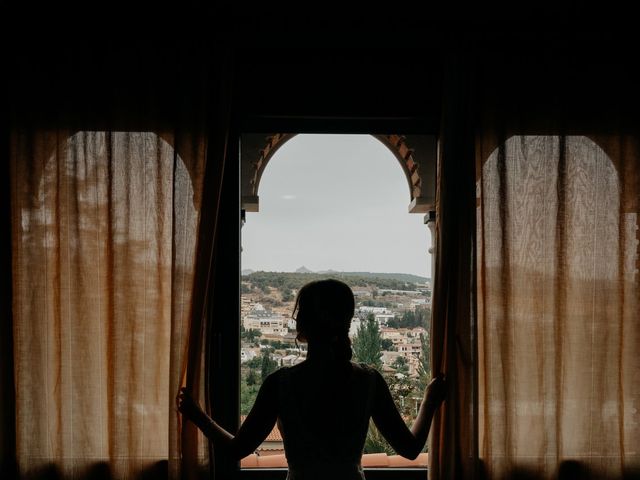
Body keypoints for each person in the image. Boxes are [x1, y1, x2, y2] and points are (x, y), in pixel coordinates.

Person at [177, 279, 447, 480]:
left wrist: (197, 414)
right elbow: (411, 450)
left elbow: (237, 449)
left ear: (301, 324)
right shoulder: (368, 380)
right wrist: (430, 400)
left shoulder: (280, 384)